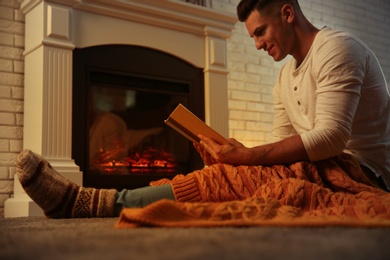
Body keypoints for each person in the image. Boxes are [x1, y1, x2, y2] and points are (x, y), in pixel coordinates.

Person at [16, 0, 390, 218]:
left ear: (288, 13)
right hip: (325, 164)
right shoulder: (283, 79)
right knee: (239, 173)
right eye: (253, 37)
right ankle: (111, 202)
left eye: (260, 32)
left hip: (365, 174)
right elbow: (283, 149)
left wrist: (246, 158)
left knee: (242, 175)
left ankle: (92, 204)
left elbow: (330, 138)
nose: (258, 45)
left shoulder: (337, 49)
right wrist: (234, 151)